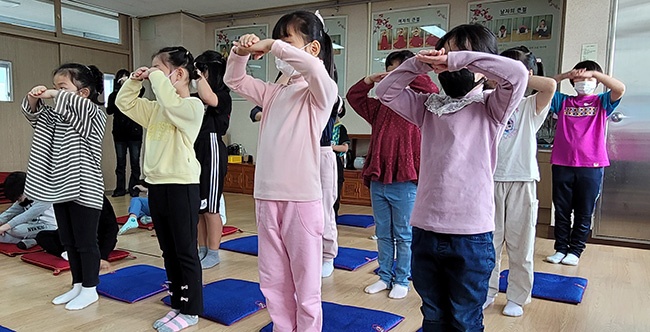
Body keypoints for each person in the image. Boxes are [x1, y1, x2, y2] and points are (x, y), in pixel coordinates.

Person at [375, 24, 528, 331]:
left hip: (471, 235)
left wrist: (461, 60)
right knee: (433, 316)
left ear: (482, 65)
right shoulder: (428, 107)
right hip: (425, 229)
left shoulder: (492, 106)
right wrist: (420, 63)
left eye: (462, 55)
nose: (451, 62)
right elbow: (384, 91)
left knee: (465, 320)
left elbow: (517, 74)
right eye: (447, 54)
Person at [224, 10, 338, 332]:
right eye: (279, 40)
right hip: (266, 197)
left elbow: (315, 70)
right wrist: (240, 53)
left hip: (301, 200)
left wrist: (274, 45)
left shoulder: (320, 92)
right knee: (273, 280)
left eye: (288, 40)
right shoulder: (274, 92)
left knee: (306, 285)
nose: (278, 49)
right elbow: (234, 80)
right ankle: (282, 327)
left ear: (312, 48)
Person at [116, 46, 204, 332]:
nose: (152, 72)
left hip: (182, 186)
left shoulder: (192, 107)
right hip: (158, 185)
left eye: (158, 68)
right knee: (168, 249)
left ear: (178, 74)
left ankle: (191, 311)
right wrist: (134, 80)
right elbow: (123, 103)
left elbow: (173, 104)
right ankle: (177, 302)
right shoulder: (155, 110)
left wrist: (156, 79)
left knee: (185, 250)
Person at [347, 50, 439, 300]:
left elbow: (432, 88)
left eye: (399, 72)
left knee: (404, 234)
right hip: (379, 178)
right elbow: (353, 96)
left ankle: (402, 278)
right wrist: (370, 79)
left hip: (406, 180)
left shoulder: (421, 104)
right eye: (390, 70)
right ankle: (385, 275)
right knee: (384, 232)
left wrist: (410, 70)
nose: (393, 76)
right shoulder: (379, 106)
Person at [23, 63, 106, 310]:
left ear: (83, 93)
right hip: (60, 186)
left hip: (85, 187)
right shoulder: (57, 116)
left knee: (86, 242)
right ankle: (78, 285)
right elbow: (33, 115)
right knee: (68, 241)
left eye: (63, 87)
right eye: (55, 86)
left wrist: (55, 94)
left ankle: (90, 289)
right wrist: (33, 98)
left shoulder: (93, 113)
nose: (54, 91)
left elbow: (81, 109)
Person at [484, 46, 556, 317]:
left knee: (520, 245)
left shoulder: (531, 104)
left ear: (526, 74)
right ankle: (487, 292)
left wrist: (517, 75)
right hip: (489, 181)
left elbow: (549, 85)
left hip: (522, 180)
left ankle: (517, 295)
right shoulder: (488, 98)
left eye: (513, 70)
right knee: (488, 244)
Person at [249, 72, 343, 279]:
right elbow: (256, 111)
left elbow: (332, 103)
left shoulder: (327, 92)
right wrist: (284, 78)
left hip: (321, 152)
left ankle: (327, 256)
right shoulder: (282, 93)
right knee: (288, 214)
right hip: (291, 154)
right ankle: (293, 256)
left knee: (324, 209)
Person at [545, 60, 625, 266]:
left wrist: (595, 74)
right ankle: (560, 248)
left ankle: (576, 251)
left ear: (596, 82)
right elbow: (545, 86)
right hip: (563, 163)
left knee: (583, 210)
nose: (584, 81)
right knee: (561, 210)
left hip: (592, 166)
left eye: (589, 78)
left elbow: (620, 88)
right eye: (580, 78)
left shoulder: (601, 102)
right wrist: (564, 76)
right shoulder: (563, 101)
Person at [193, 50, 232, 269]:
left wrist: (197, 76)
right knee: (199, 207)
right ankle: (201, 249)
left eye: (204, 70)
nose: (200, 75)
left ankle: (214, 252)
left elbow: (210, 98)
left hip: (212, 149)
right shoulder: (195, 97)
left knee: (211, 206)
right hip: (196, 148)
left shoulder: (223, 95)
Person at [36, 195, 118, 272]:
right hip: (74, 239)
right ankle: (68, 254)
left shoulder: (96, 197)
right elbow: (64, 228)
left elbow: (112, 228)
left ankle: (77, 254)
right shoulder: (62, 198)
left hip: (94, 240)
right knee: (42, 236)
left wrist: (103, 257)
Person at [106, 69, 145, 197]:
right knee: (120, 163)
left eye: (126, 77)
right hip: (119, 133)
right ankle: (120, 188)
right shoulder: (113, 95)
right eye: (121, 78)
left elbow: (142, 91)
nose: (123, 80)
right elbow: (109, 110)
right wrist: (118, 93)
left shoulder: (136, 93)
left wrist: (131, 83)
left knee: (135, 162)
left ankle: (134, 188)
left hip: (134, 133)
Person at [0, 171, 57, 247]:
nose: (19, 200)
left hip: (50, 226)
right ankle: (33, 241)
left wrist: (5, 227)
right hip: (32, 225)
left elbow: (27, 215)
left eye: (19, 197)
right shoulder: (23, 198)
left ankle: (37, 240)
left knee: (16, 230)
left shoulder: (44, 197)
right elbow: (10, 212)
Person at [331, 116, 350, 218]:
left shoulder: (340, 128)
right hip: (319, 161)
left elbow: (345, 148)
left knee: (335, 190)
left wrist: (329, 147)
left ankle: (333, 217)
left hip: (335, 161)